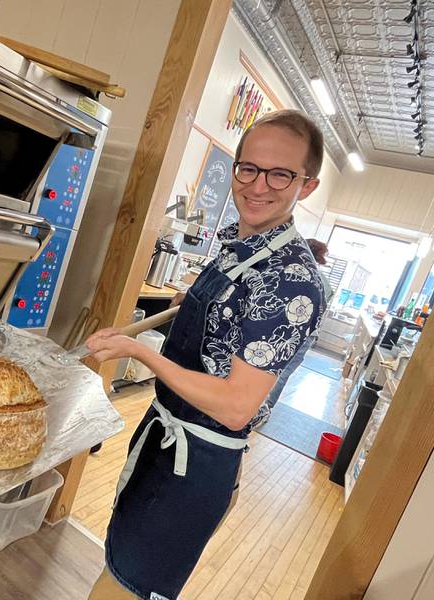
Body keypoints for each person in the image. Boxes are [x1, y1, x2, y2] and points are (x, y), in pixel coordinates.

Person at [85, 109, 327, 600]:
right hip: (167, 441)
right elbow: (228, 322)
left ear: (307, 185)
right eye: (249, 168)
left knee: (127, 587)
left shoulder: (290, 280)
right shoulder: (243, 244)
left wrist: (139, 352)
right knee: (118, 568)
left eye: (281, 174)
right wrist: (193, 301)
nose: (259, 186)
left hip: (195, 463)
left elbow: (237, 406)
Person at [251, 237, 333, 427]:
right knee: (283, 373)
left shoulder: (290, 271)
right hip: (307, 333)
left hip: (285, 329)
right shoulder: (324, 282)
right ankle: (263, 411)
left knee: (267, 368)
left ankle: (256, 408)